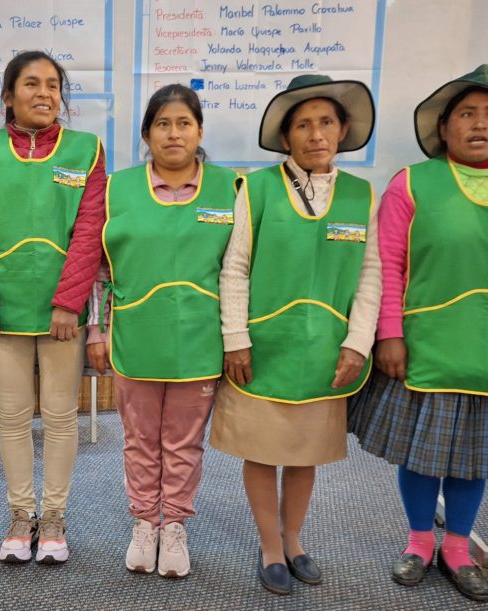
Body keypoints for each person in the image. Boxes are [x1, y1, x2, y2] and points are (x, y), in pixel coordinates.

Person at [349, 64, 488, 603]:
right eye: (466, 113)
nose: (480, 123)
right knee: (422, 456)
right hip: (429, 347)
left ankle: (457, 547)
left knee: (475, 458)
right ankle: (419, 542)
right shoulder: (413, 184)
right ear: (444, 127)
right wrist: (389, 334)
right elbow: (388, 264)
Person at [210, 74, 380, 595]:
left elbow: (370, 275)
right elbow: (235, 267)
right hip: (263, 347)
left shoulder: (361, 195)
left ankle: (294, 539)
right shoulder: (257, 187)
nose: (315, 134)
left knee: (306, 454)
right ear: (286, 137)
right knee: (262, 451)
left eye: (326, 122)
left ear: (343, 130)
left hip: (326, 350)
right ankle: (269, 546)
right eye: (302, 124)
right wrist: (236, 337)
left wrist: (358, 342)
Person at [0, 50, 107, 565]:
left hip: (63, 312)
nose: (44, 93)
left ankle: (55, 517)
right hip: (1, 310)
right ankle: (21, 515)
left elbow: (90, 231)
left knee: (61, 417)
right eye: (31, 84)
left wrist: (69, 302)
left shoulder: (86, 149)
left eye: (52, 85)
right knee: (14, 418)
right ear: (8, 96)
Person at [85, 84, 238, 578]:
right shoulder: (117, 189)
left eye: (184, 123)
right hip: (135, 337)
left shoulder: (233, 188)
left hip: (201, 340)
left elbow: (242, 270)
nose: (174, 134)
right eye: (163, 124)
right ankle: (144, 523)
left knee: (184, 442)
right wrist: (96, 329)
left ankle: (174, 525)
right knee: (139, 440)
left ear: (200, 131)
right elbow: (99, 268)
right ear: (148, 133)